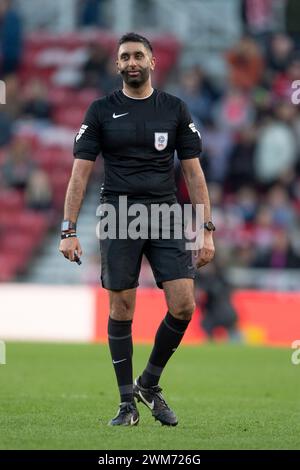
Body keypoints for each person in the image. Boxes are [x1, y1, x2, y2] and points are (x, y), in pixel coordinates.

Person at [59, 32, 215, 427]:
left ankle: (149, 383)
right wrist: (68, 229)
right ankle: (127, 403)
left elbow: (194, 174)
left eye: (138, 56)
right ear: (117, 64)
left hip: (165, 212)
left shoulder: (175, 109)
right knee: (122, 307)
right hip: (118, 213)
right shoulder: (99, 110)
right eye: (125, 56)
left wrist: (206, 229)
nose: (131, 62)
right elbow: (80, 175)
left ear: (152, 62)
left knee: (183, 305)